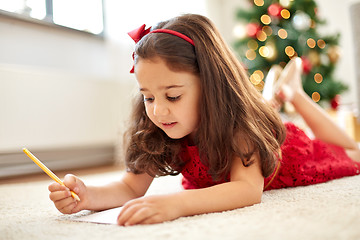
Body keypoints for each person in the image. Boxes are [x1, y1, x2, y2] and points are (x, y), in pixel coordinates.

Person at [48, 14, 360, 226]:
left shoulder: (239, 128)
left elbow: (247, 190)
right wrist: (89, 196)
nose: (157, 111)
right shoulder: (160, 126)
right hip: (257, 132)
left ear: (211, 86)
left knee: (351, 152)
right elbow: (131, 187)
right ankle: (279, 95)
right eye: (148, 96)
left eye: (172, 96)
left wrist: (174, 205)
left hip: (291, 152)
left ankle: (294, 94)